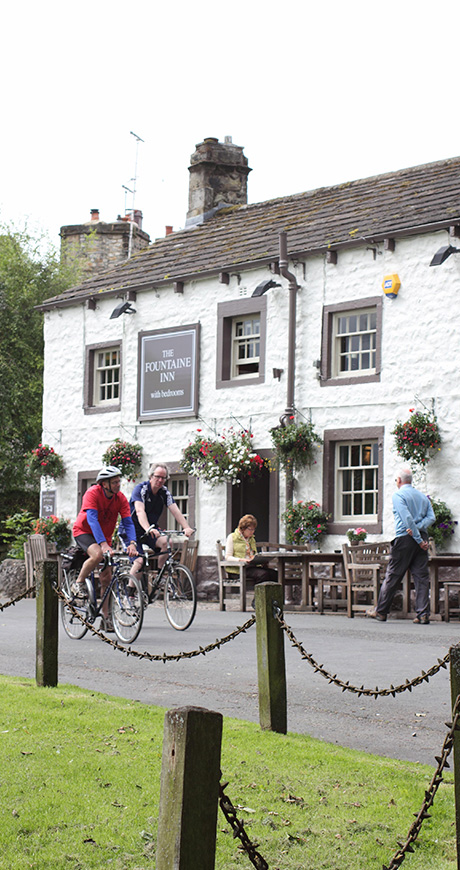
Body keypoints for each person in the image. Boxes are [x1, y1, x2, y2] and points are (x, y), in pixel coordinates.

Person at [72, 466, 139, 631]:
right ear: (104, 484)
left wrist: (132, 542)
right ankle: (78, 583)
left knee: (106, 579)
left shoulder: (120, 498)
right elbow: (92, 520)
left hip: (105, 538)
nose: (118, 484)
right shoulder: (92, 493)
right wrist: (103, 544)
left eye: (119, 481)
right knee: (97, 555)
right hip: (84, 531)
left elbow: (128, 522)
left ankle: (106, 618)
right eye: (115, 482)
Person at [366, 467, 435, 624]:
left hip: (405, 538)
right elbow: (431, 518)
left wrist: (416, 535)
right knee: (421, 577)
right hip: (421, 538)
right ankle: (423, 614)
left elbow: (407, 519)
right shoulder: (423, 498)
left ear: (398, 480)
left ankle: (381, 611)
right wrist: (420, 536)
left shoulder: (398, 495)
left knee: (393, 575)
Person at [128, 463, 194, 580]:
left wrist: (186, 527)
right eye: (157, 476)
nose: (160, 480)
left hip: (150, 531)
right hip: (133, 531)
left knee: (166, 543)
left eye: (163, 478)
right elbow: (139, 511)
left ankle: (159, 576)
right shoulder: (141, 489)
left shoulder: (164, 493)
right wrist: (149, 528)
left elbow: (175, 510)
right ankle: (130, 593)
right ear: (151, 476)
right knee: (139, 561)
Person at [225, 514, 277, 604]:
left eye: (253, 529)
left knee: (274, 574)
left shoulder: (251, 539)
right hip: (238, 569)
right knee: (262, 575)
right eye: (250, 529)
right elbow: (228, 557)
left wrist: (260, 560)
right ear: (243, 528)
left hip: (251, 566)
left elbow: (253, 553)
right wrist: (241, 560)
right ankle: (258, 601)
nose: (252, 532)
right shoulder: (232, 537)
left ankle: (270, 601)